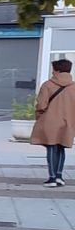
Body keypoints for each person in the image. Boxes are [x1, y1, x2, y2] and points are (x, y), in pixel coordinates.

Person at [31, 58, 75, 187]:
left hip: (50, 121)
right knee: (61, 148)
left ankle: (52, 177)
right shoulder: (73, 87)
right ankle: (60, 176)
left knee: (51, 147)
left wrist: (38, 115)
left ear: (57, 70)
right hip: (68, 122)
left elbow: (41, 104)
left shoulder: (48, 85)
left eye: (53, 70)